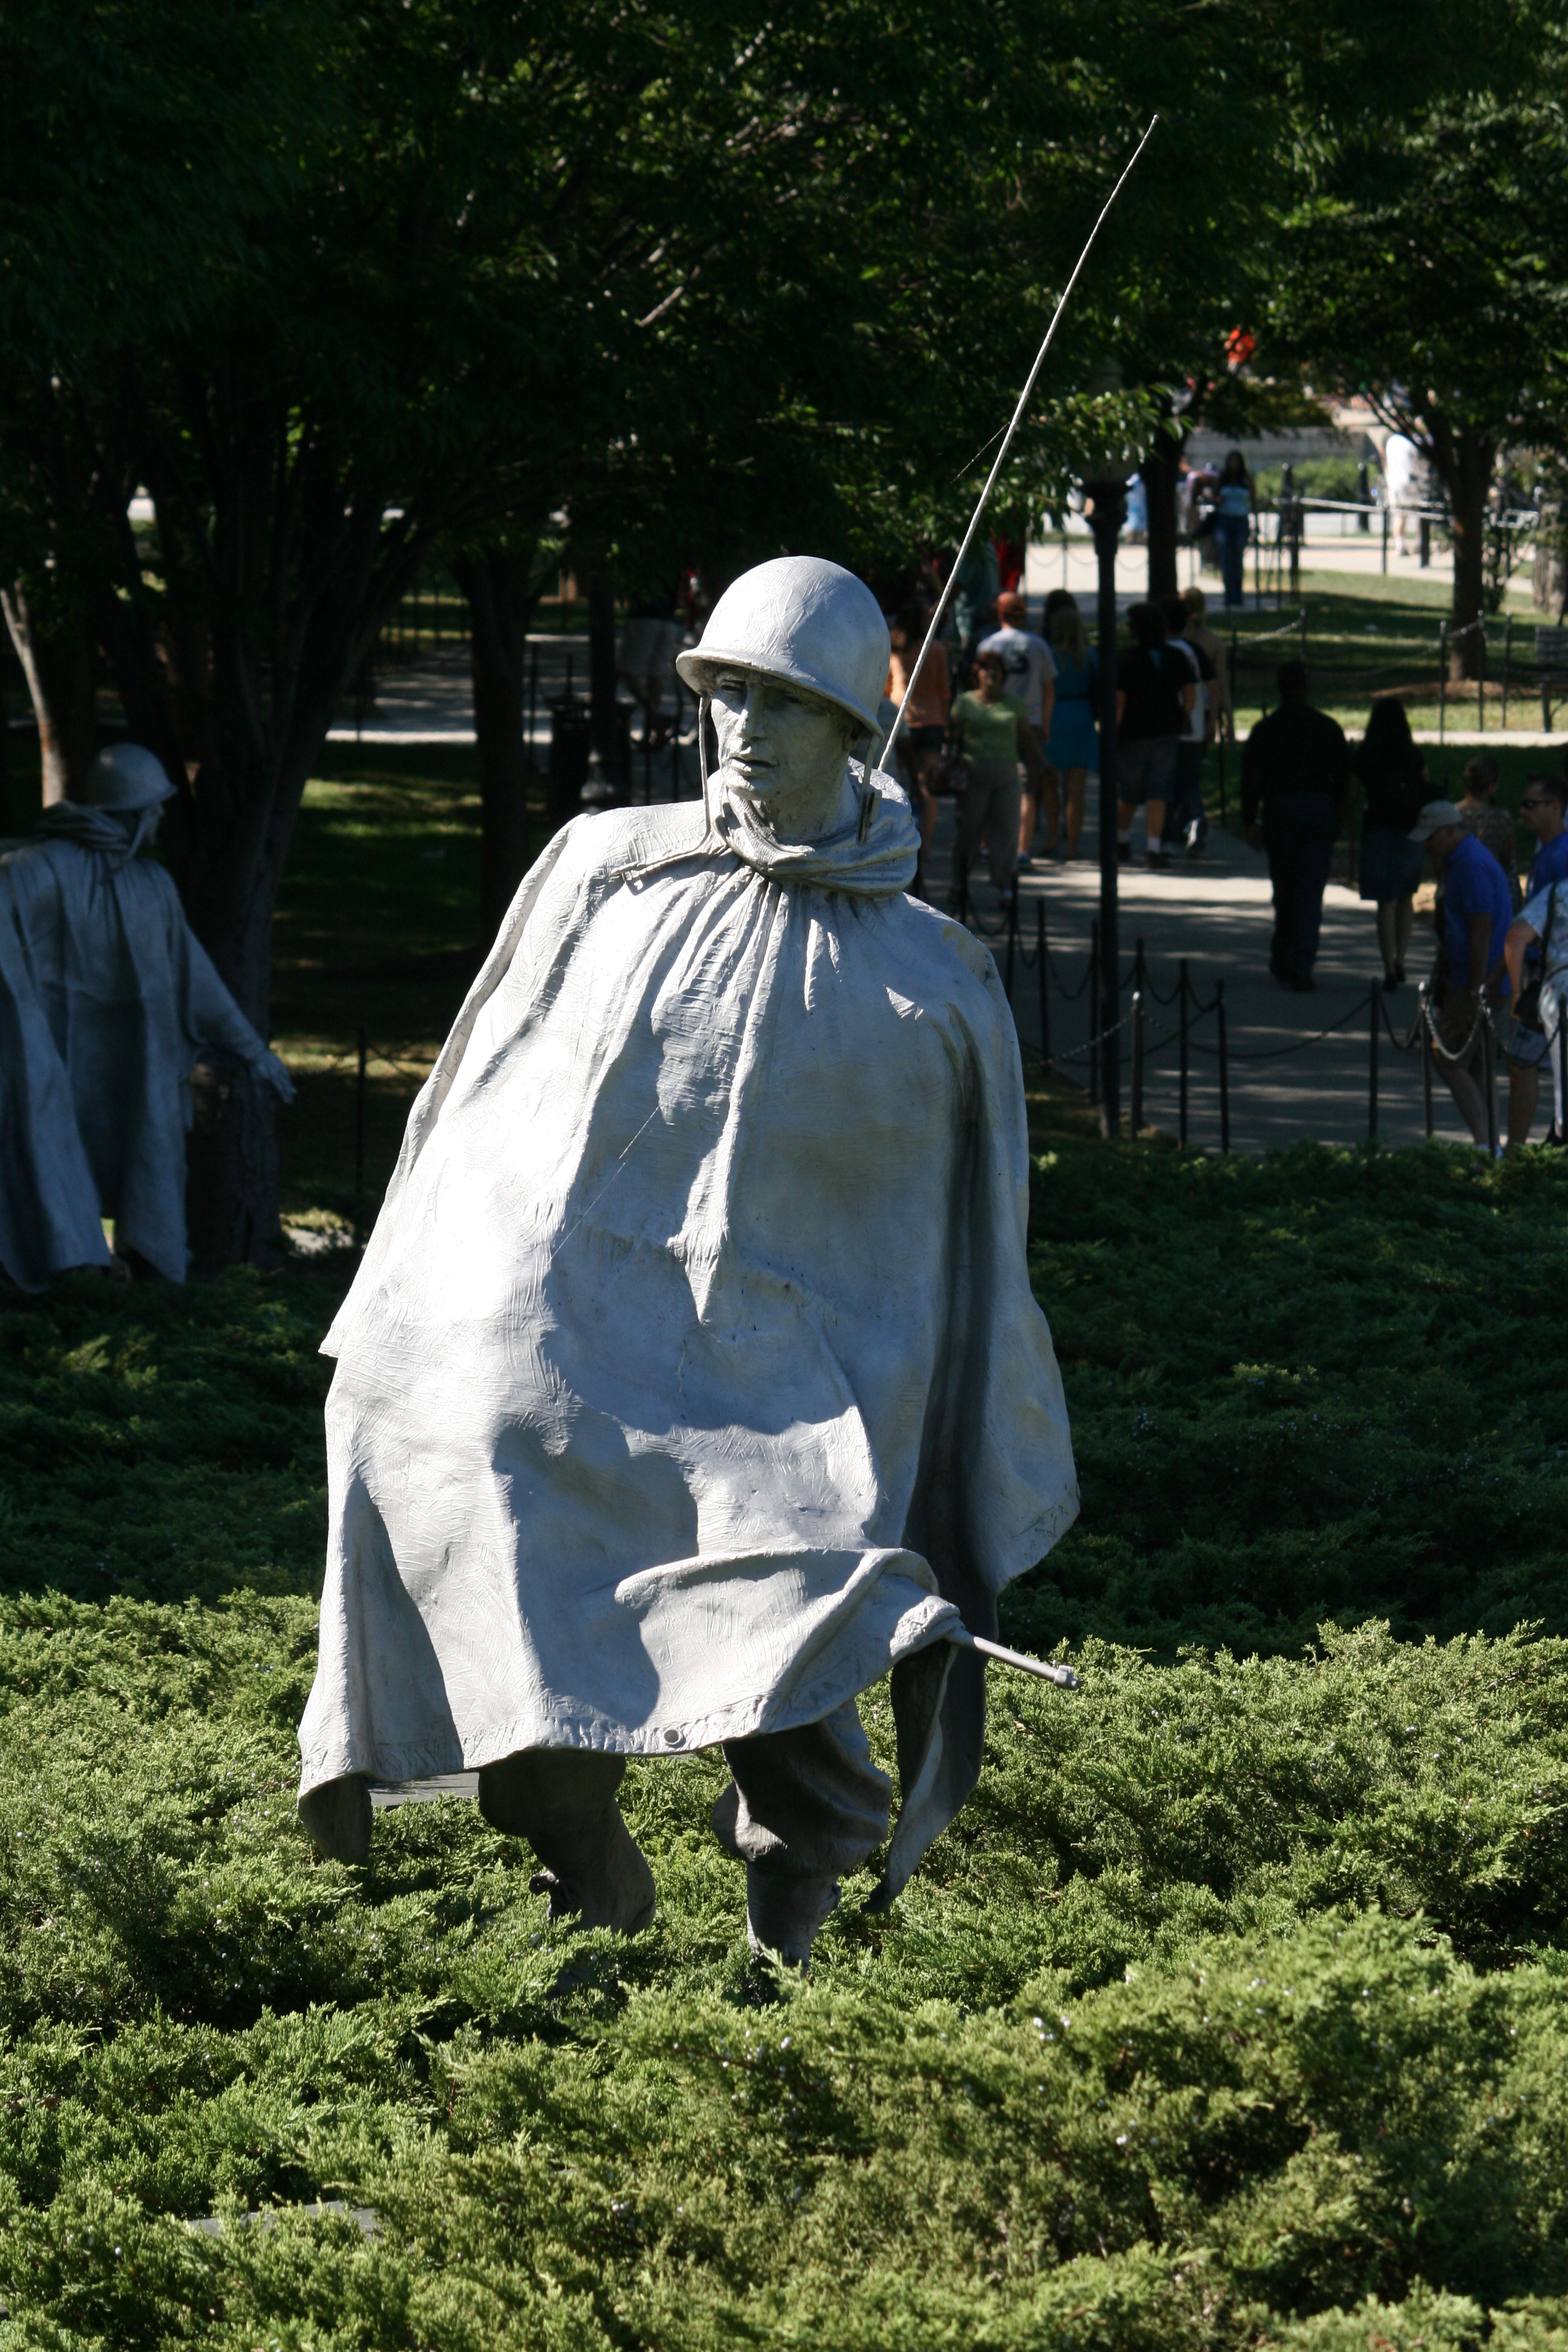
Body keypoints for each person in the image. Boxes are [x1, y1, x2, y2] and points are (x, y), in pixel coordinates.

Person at [295, 555, 1079, 1970]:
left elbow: (947, 1256)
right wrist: (417, 1299)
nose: (744, 729)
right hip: (575, 1349)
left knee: (797, 1650)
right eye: (728, 694)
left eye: (785, 703)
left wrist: (917, 1453)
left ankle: (793, 1969)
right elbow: (485, 1096)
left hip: (792, 1401)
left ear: (854, 726)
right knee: (524, 1688)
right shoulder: (609, 868)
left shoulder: (932, 980)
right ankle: (588, 1870)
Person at [0, 743, 295, 1288]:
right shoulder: (42, 870)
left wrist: (252, 1051)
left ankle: (148, 1270)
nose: (161, 815)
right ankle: (73, 1267)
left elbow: (194, 977)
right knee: (52, 1144)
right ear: (132, 811)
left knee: (151, 1152)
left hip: (138, 1064)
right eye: (154, 806)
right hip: (57, 1063)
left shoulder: (150, 886)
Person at [1410, 798, 1514, 1150]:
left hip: (1477, 981)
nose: (1426, 846)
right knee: (1478, 1066)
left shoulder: (1469, 864)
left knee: (1448, 1059)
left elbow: (1481, 929)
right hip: (1483, 978)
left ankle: (1485, 1143)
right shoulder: (1461, 860)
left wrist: (1474, 989)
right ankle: (1492, 1144)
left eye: (1431, 838)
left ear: (1450, 831)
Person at [1241, 661, 1349, 991]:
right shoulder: (1327, 727)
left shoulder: (1266, 729)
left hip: (1281, 809)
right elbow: (1344, 778)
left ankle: (1283, 953)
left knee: (1285, 887)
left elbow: (1251, 780)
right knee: (1310, 890)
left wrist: (1250, 820)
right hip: (1317, 808)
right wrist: (1338, 817)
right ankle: (1300, 961)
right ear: (1306, 687)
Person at [1500, 773, 1568, 1145]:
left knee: (1522, 1062)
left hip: (1551, 979)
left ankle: (1518, 1154)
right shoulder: (1548, 851)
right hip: (1546, 973)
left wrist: (1516, 993)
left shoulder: (1561, 855)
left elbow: (1519, 934)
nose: (1523, 811)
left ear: (1555, 807)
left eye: (1531, 804)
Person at [1348, 701, 1428, 986]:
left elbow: (1352, 794)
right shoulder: (1413, 755)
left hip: (1378, 830)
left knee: (1386, 901)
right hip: (1410, 831)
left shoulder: (1365, 755)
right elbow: (1424, 789)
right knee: (1406, 897)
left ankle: (1388, 968)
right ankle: (1402, 958)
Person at [978, 590, 1055, 864]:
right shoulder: (1038, 645)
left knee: (990, 785)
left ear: (1000, 613)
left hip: (996, 721)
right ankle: (1022, 849)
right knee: (1028, 790)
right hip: (1031, 722)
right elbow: (1049, 688)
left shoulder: (989, 645)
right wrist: (1045, 722)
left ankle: (986, 844)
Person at [950, 647, 1031, 904]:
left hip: (1007, 776)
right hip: (974, 775)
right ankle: (959, 882)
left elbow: (1027, 739)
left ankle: (1005, 885)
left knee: (1007, 832)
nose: (991, 674)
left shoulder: (1014, 704)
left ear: (1003, 675)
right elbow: (951, 738)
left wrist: (1041, 765)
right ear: (978, 673)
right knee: (969, 831)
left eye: (996, 670)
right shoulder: (965, 702)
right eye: (986, 669)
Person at [1115, 601, 1191, 870]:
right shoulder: (1176, 656)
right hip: (1167, 730)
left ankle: (1122, 839)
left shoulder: (1125, 658)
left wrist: (1113, 730)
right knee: (1159, 791)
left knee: (1129, 791)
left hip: (1132, 732)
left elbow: (1119, 701)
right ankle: (1153, 848)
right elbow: (1190, 694)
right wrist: (1182, 718)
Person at [884, 604, 947, 889]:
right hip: (932, 718)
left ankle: (903, 836)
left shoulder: (894, 650)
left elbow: (888, 685)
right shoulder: (936, 649)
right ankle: (927, 841)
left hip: (901, 717)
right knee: (927, 782)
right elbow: (944, 690)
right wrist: (945, 722)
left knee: (899, 779)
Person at [1160, 595, 1215, 858]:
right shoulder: (1194, 651)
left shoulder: (1160, 651)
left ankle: (1168, 837)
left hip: (1166, 728)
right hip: (1194, 726)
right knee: (1190, 781)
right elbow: (1214, 687)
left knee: (1165, 784)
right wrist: (1212, 721)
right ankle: (1195, 818)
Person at [1042, 597, 1097, 861]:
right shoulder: (1089, 656)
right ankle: (1072, 846)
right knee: (1076, 789)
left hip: (1053, 715)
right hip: (1081, 714)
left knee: (1050, 784)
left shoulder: (1049, 655)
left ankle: (1053, 836)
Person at [1455, 754, 1518, 899]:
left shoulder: (1452, 816)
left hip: (1459, 886)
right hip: (1491, 887)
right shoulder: (1502, 818)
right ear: (1492, 786)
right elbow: (1508, 859)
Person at [1181, 587, 1232, 747]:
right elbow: (1221, 684)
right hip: (1203, 707)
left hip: (1178, 705)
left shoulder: (1174, 640)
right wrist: (1228, 721)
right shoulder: (1214, 641)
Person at [1209, 450, 1252, 610]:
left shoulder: (1246, 479)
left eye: (1236, 461)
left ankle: (1238, 596)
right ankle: (1229, 595)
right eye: (1231, 461)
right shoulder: (1223, 479)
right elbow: (1213, 496)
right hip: (1224, 520)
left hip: (1241, 521)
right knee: (1226, 560)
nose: (1234, 464)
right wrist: (1217, 499)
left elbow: (1253, 500)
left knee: (1238, 559)